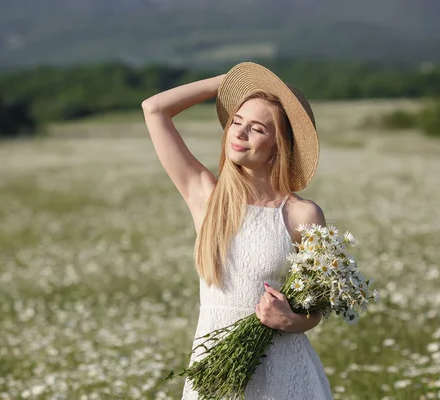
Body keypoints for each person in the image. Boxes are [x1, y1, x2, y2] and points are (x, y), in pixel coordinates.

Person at [142, 62, 333, 399]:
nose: (239, 134)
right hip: (215, 366)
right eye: (236, 122)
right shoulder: (206, 196)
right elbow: (154, 108)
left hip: (283, 371)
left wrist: (290, 320)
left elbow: (315, 310)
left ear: (279, 144)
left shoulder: (303, 214)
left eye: (257, 128)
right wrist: (229, 82)